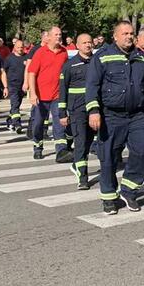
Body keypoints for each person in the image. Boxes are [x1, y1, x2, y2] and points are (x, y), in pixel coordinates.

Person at [86, 20, 144, 214]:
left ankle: (129, 190)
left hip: (136, 115)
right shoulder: (102, 57)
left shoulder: (140, 57)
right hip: (110, 115)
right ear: (115, 36)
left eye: (131, 33)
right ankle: (109, 197)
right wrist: (93, 111)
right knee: (108, 157)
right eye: (124, 33)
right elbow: (92, 86)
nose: (128, 36)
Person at [27, 26, 70, 161]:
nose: (59, 37)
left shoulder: (64, 52)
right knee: (38, 124)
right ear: (49, 37)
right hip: (41, 96)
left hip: (57, 95)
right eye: (56, 34)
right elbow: (32, 73)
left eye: (60, 34)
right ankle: (38, 146)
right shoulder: (40, 52)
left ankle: (61, 151)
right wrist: (33, 93)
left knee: (59, 123)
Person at [59, 33, 95, 190]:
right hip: (76, 109)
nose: (88, 45)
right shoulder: (69, 65)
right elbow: (62, 90)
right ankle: (83, 177)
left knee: (88, 141)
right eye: (84, 43)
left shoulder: (97, 62)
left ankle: (76, 164)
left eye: (90, 42)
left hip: (93, 109)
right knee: (80, 141)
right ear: (78, 45)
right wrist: (62, 113)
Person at [2, 39, 28, 133]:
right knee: (15, 105)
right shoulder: (9, 58)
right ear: (14, 48)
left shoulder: (26, 57)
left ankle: (9, 120)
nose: (20, 49)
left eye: (22, 47)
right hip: (12, 85)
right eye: (18, 47)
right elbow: (3, 72)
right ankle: (17, 124)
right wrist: (5, 86)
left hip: (22, 85)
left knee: (16, 105)